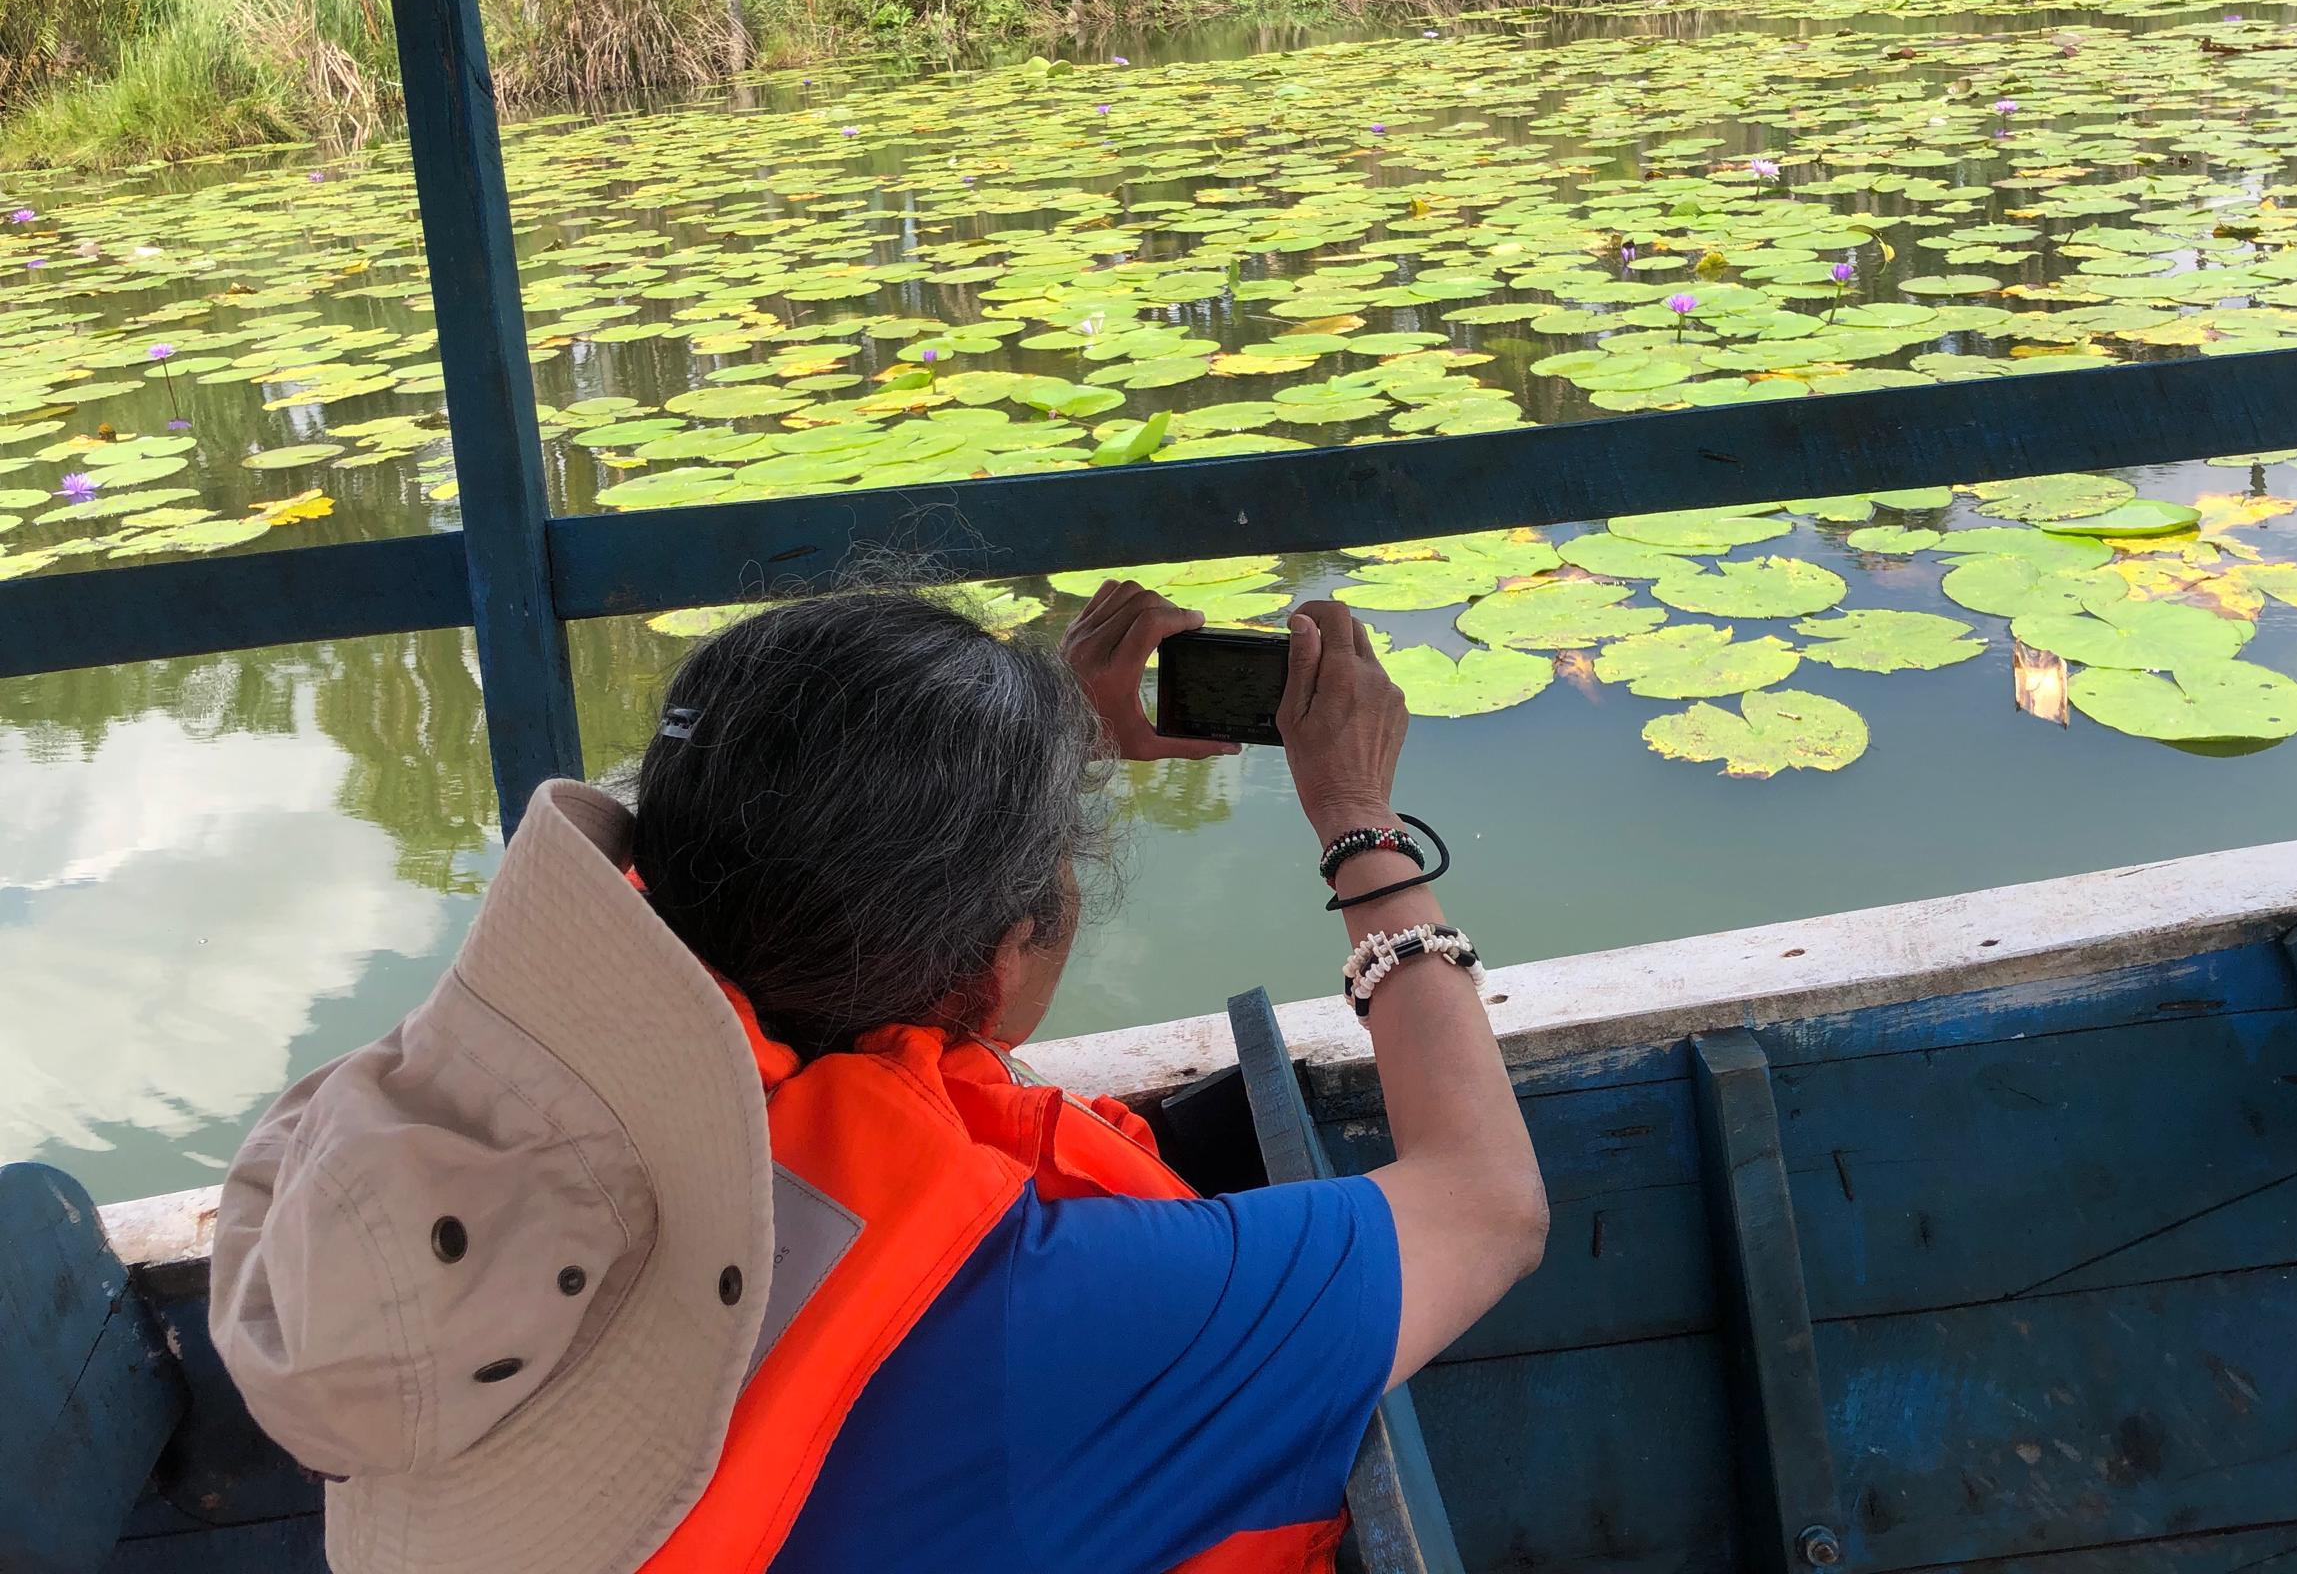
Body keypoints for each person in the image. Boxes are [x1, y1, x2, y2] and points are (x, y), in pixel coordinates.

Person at [207, 578, 1548, 1574]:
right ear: (988, 974)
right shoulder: (1064, 1309)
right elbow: (1488, 1206)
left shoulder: (521, 1175)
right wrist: (1363, 828)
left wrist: (1021, 738)